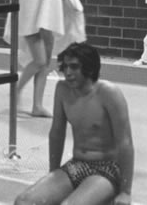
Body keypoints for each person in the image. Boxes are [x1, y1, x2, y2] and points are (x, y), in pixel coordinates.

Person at [14, 42, 134, 205]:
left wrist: (126, 191)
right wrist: (53, 172)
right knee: (24, 201)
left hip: (107, 169)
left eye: (74, 67)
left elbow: (125, 143)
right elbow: (57, 133)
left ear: (89, 68)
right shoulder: (62, 90)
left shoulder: (109, 93)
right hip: (77, 165)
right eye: (65, 67)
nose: (68, 73)